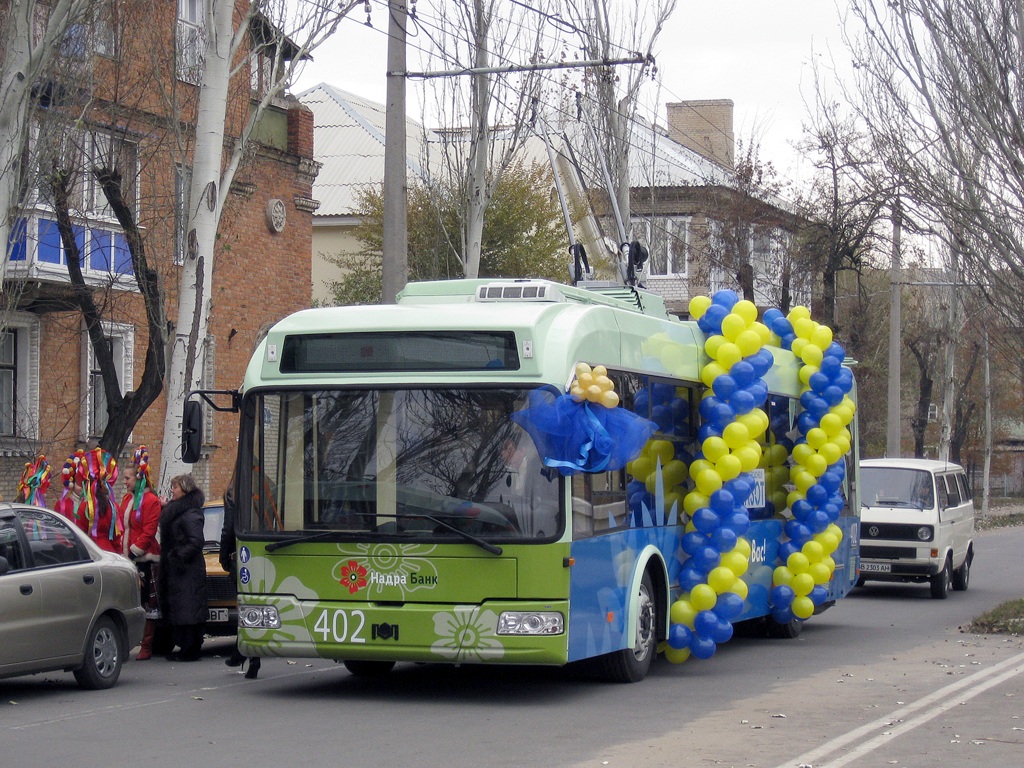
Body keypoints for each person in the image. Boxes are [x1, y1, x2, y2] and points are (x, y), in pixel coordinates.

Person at [157, 473, 208, 662]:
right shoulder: (180, 510)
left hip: (187, 570)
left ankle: (190, 649)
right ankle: (186, 647)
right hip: (180, 570)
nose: (172, 490)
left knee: (188, 608)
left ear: (185, 489)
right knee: (182, 607)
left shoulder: (190, 513)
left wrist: (177, 556)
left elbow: (195, 542)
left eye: (175, 487)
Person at [118, 446, 162, 660]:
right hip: (127, 558)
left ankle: (147, 644)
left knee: (147, 602)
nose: (124, 482)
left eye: (127, 478)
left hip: (144, 559)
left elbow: (149, 531)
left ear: (138, 478)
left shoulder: (151, 501)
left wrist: (134, 552)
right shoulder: (127, 500)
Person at [218, 472, 261, 679]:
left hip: (241, 555)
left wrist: (224, 557)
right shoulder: (262, 489)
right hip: (264, 554)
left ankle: (248, 654)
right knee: (256, 604)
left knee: (243, 606)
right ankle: (243, 652)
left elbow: (228, 529)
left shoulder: (233, 494)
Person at [78, 448, 120, 552]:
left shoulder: (85, 507)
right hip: (110, 553)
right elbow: (116, 537)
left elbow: (79, 535)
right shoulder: (113, 507)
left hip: (92, 553)